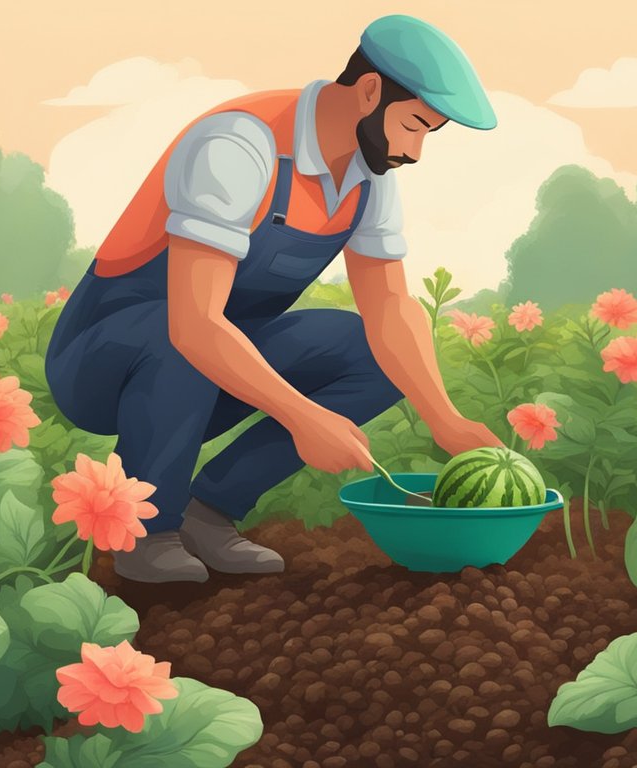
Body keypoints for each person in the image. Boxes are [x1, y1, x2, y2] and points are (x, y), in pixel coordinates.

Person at [45, 14, 503, 584]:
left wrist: (445, 419)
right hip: (105, 362)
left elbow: (389, 306)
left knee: (376, 356)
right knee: (173, 335)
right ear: (369, 91)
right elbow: (194, 321)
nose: (414, 151)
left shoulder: (369, 175)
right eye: (413, 125)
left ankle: (208, 513)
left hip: (214, 363)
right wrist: (304, 417)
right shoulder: (240, 144)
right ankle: (150, 531)